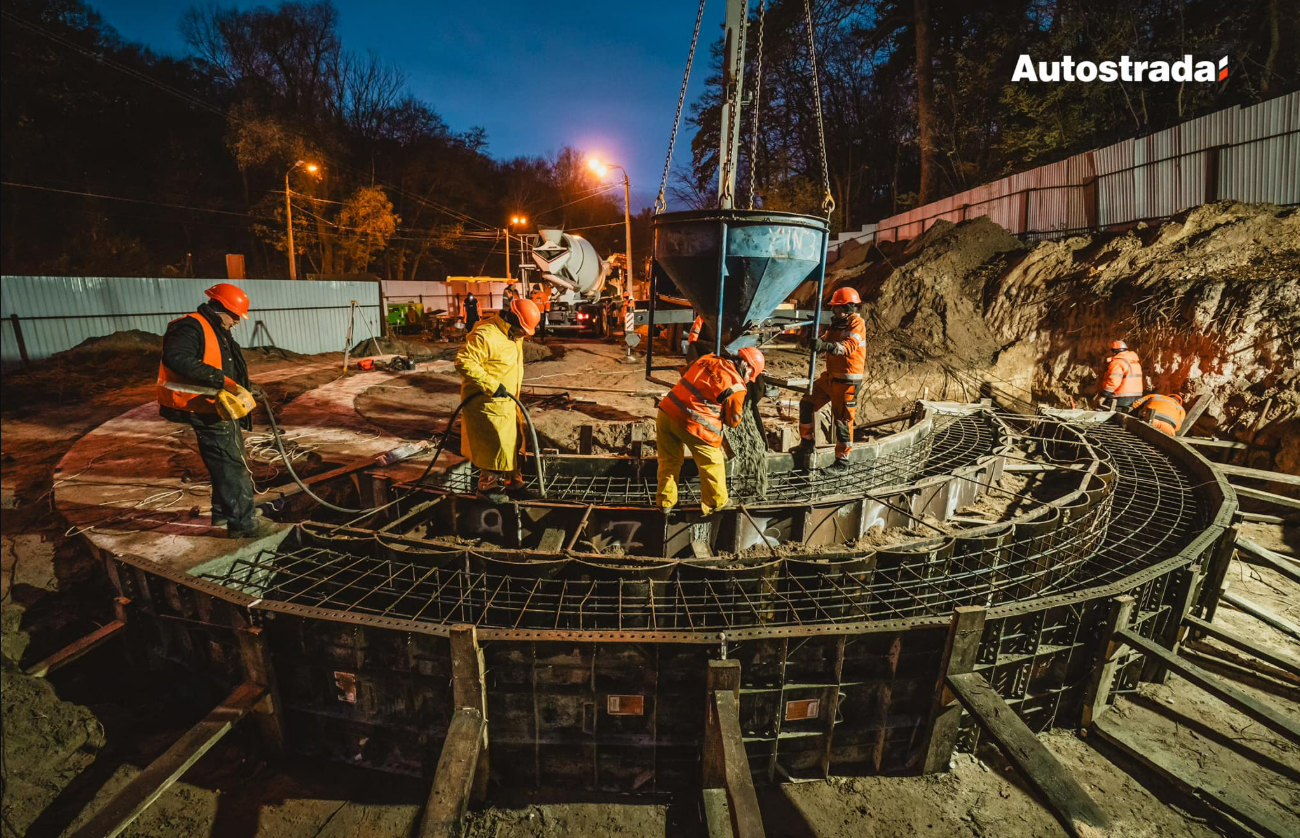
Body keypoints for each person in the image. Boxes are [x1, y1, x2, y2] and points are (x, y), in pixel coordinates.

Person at [157, 283, 267, 538]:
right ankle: (243, 523)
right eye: (236, 316)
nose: (238, 322)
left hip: (215, 406)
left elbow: (225, 365)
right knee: (232, 464)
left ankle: (222, 514)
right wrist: (222, 381)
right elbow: (178, 359)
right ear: (224, 309)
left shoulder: (216, 329)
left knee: (223, 461)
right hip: (204, 406)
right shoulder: (190, 326)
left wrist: (245, 387)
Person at [656, 347, 765, 514]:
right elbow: (733, 421)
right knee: (712, 463)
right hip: (693, 424)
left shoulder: (708, 358)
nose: (750, 380)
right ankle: (717, 503)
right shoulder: (737, 387)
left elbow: (685, 373)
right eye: (752, 376)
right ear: (748, 368)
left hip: (666, 412)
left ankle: (665, 503)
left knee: (669, 462)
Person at [455, 297, 542, 503]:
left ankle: (514, 483)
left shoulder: (513, 334)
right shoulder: (486, 335)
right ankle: (487, 487)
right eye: (522, 329)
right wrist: (492, 386)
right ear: (513, 319)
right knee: (494, 444)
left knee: (513, 443)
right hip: (487, 402)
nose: (524, 335)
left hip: (508, 401)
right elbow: (463, 362)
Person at [797, 287, 867, 473]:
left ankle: (842, 462)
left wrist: (825, 345)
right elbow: (825, 341)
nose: (834, 311)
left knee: (842, 420)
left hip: (847, 381)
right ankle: (807, 443)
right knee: (806, 403)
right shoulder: (836, 324)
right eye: (834, 307)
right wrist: (813, 341)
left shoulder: (856, 323)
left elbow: (849, 347)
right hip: (830, 378)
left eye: (838, 307)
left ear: (850, 306)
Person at [1099, 340, 1144, 411]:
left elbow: (1113, 382)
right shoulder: (1135, 362)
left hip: (1121, 397)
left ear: (1114, 351)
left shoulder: (1117, 362)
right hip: (1137, 397)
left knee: (1110, 417)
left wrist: (1104, 395)